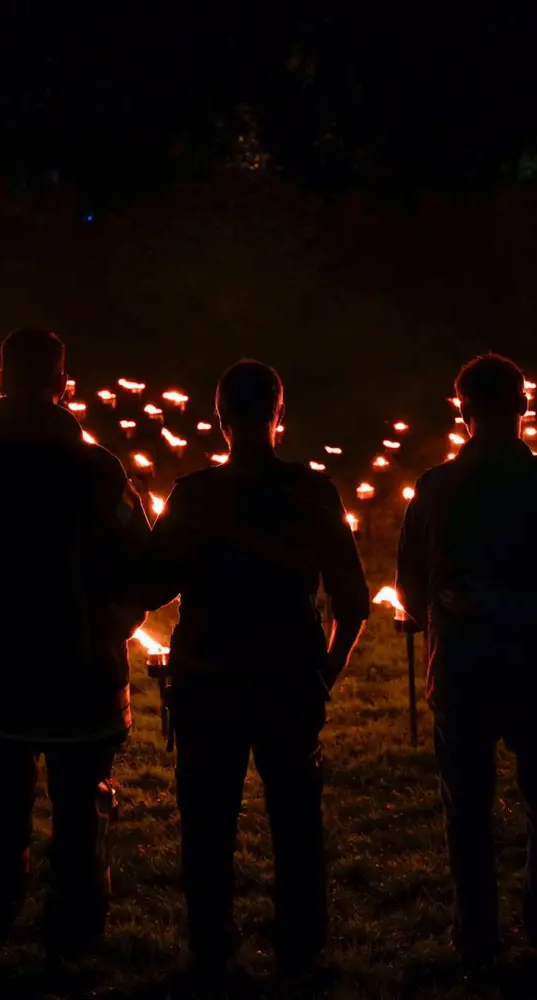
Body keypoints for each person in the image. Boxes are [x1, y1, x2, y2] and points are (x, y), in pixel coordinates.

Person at [0, 328, 151, 957]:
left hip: (2, 674)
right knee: (81, 803)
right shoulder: (97, 470)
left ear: (0, 382)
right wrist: (115, 623)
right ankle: (74, 924)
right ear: (61, 385)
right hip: (87, 676)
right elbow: (143, 561)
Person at [143, 359, 370, 981]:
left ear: (220, 420)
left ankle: (211, 941)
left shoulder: (195, 494)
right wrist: (326, 671)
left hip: (208, 677)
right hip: (288, 675)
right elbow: (354, 604)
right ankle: (301, 943)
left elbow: (152, 586)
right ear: (279, 415)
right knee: (297, 817)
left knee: (207, 817)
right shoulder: (313, 491)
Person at [396, 353, 537, 981]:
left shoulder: (435, 487)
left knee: (468, 811)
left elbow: (414, 594)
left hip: (464, 670)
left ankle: (476, 937)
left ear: (463, 410)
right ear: (522, 407)